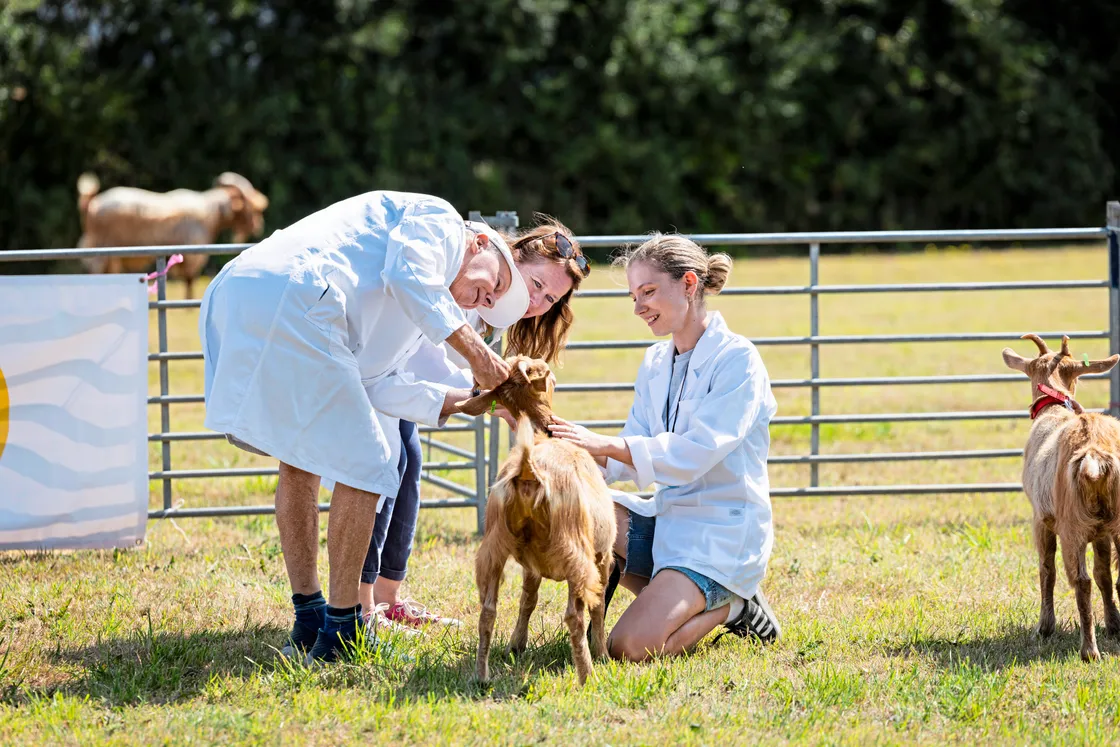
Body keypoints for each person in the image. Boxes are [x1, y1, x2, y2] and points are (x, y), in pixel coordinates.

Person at [198, 191, 530, 663]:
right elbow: (407, 275)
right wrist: (478, 356)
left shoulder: (417, 310)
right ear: (479, 244)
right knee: (371, 463)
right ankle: (342, 631)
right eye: (492, 285)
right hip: (297, 294)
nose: (487, 299)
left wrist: (461, 402)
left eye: (492, 301)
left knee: (300, 460)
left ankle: (309, 617)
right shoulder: (442, 222)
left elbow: (375, 381)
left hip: (250, 289)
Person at [549, 233, 781, 662]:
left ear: (689, 285)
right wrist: (557, 439)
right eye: (634, 296)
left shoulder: (738, 360)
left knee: (628, 648)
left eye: (649, 292)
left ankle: (735, 604)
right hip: (671, 522)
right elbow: (629, 449)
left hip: (720, 535)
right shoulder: (656, 361)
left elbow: (696, 452)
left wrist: (607, 444)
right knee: (579, 507)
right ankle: (676, 592)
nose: (639, 308)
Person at [358, 220, 591, 631]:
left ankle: (387, 597)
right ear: (511, 256)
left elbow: (456, 375)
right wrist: (491, 393)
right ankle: (361, 608)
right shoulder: (468, 281)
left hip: (401, 389)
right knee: (383, 470)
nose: (537, 302)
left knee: (408, 465)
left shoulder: (492, 313)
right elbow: (429, 361)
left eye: (550, 298)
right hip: (375, 372)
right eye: (535, 284)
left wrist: (508, 403)